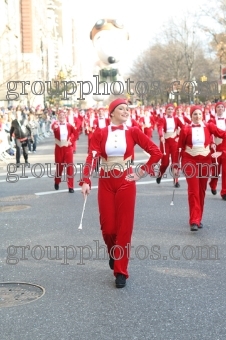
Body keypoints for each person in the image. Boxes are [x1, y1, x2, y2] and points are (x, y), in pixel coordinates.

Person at [80, 98, 162, 288]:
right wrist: (85, 179)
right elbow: (91, 157)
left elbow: (156, 152)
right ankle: (113, 253)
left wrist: (141, 172)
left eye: (127, 109)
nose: (126, 111)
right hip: (106, 181)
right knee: (108, 228)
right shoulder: (99, 133)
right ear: (111, 113)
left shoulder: (133, 131)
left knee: (124, 227)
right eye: (121, 108)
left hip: (126, 181)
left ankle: (121, 271)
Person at [177, 105, 226, 231]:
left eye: (199, 114)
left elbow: (223, 134)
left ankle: (198, 218)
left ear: (202, 115)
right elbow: (180, 148)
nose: (197, 116)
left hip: (205, 160)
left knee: (201, 190)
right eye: (195, 114)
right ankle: (193, 220)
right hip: (190, 160)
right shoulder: (185, 129)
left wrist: (222, 150)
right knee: (193, 190)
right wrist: (178, 164)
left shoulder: (209, 126)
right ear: (191, 116)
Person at [51, 110, 78, 193]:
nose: (62, 117)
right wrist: (55, 125)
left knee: (69, 167)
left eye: (63, 115)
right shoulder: (55, 124)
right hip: (59, 148)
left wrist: (71, 140)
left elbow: (76, 133)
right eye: (60, 115)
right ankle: (57, 181)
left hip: (68, 148)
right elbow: (53, 127)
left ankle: (70, 186)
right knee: (59, 166)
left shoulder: (69, 125)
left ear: (65, 116)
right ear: (58, 117)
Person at [208, 102, 226, 200]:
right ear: (215, 109)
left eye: (222, 107)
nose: (220, 108)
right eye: (218, 107)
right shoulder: (211, 120)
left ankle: (224, 192)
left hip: (225, 146)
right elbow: (210, 133)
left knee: (225, 170)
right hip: (215, 146)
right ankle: (213, 183)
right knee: (215, 169)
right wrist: (212, 142)